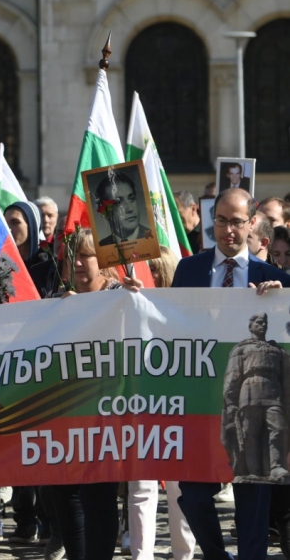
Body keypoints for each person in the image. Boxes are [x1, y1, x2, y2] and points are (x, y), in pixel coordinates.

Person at [162, 188, 290, 560]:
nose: (227, 230)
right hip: (200, 406)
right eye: (220, 221)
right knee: (194, 494)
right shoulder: (189, 269)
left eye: (236, 222)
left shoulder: (274, 278)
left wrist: (281, 304)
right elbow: (169, 327)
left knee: (252, 509)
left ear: (252, 223)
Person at [54, 228, 125, 560]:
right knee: (62, 494)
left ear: (104, 261)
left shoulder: (122, 296)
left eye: (86, 255)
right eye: (73, 257)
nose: (78, 263)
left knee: (99, 495)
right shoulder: (57, 299)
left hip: (107, 414)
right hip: (64, 415)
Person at [128, 246, 197, 560]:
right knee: (140, 486)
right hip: (140, 406)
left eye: (155, 270)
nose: (150, 276)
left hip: (178, 408)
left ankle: (183, 553)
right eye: (146, 269)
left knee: (179, 488)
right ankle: (142, 554)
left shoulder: (185, 311)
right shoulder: (130, 303)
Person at [222, 313, 290, 480]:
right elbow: (233, 375)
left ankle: (276, 467)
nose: (263, 326)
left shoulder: (277, 350)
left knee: (278, 429)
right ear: (250, 326)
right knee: (249, 434)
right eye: (259, 323)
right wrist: (230, 402)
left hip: (274, 392)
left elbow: (287, 379)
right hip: (249, 393)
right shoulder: (241, 349)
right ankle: (252, 471)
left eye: (265, 323)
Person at [5, 200, 59, 297]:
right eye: (5, 223)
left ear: (31, 225)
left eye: (15, 222)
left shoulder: (52, 264)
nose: (8, 228)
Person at [94, 172, 151, 245]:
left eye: (132, 198)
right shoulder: (102, 246)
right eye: (118, 202)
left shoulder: (153, 238)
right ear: (105, 211)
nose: (130, 209)